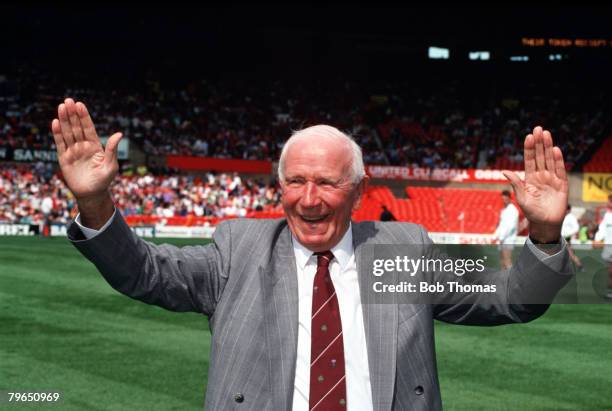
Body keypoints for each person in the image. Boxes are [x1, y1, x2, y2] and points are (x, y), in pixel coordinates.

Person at [51, 98, 572, 411]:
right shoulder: (240, 250)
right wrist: (95, 202)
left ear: (359, 189)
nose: (309, 198)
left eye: (326, 182)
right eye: (295, 181)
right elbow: (144, 272)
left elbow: (511, 298)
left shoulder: (397, 251)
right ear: (279, 186)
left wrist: (546, 233)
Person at [493, 190, 519, 270]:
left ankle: (512, 280)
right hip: (503, 238)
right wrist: (496, 236)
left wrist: (501, 237)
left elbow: (510, 227)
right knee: (502, 261)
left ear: (509, 198)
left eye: (505, 198)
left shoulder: (513, 210)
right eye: (503, 198)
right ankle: (502, 280)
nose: (503, 200)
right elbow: (501, 225)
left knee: (507, 260)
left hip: (508, 239)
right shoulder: (504, 210)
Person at [594, 194, 612, 298]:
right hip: (609, 247)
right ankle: (610, 292)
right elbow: (602, 229)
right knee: (610, 271)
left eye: (609, 202)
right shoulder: (607, 215)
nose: (608, 204)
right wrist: (597, 239)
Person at [561, 204, 583, 271]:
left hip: (566, 238)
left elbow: (576, 228)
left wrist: (567, 235)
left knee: (570, 255)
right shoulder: (562, 216)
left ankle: (580, 266)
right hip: (560, 238)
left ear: (568, 210)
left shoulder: (571, 217)